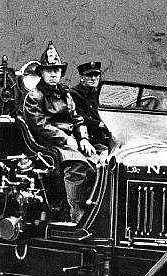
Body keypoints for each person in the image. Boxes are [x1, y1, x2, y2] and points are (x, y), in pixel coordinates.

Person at [23, 41, 97, 223]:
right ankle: (76, 217)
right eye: (49, 71)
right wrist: (66, 139)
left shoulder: (65, 93)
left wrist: (84, 139)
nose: (54, 74)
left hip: (68, 141)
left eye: (57, 70)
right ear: (41, 73)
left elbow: (77, 118)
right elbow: (40, 126)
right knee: (77, 165)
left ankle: (93, 212)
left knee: (99, 162)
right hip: (47, 143)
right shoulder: (34, 96)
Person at [70, 61, 111, 152]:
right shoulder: (73, 94)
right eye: (89, 76)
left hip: (101, 137)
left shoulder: (98, 94)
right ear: (82, 78)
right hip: (85, 139)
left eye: (96, 75)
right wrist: (99, 124)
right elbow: (78, 116)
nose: (93, 78)